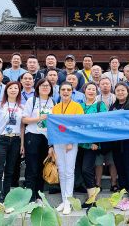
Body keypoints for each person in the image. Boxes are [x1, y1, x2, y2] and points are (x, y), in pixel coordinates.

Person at [0, 81, 23, 204]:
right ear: (6, 90)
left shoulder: (21, 107)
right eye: (10, 88)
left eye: (16, 88)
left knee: (10, 171)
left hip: (15, 140)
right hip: (1, 140)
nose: (13, 90)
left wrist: (22, 143)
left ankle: (6, 197)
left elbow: (22, 127)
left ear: (19, 91)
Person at [52, 82, 84, 215]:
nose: (65, 92)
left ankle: (68, 202)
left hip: (71, 143)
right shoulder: (56, 107)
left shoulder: (77, 107)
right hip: (58, 142)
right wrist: (51, 145)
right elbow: (53, 127)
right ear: (59, 92)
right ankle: (64, 200)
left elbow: (79, 125)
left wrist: (71, 141)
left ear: (72, 92)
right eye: (63, 89)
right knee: (61, 171)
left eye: (68, 90)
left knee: (69, 171)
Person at [22, 79, 56, 202]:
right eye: (42, 85)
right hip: (33, 135)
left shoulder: (53, 102)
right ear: (37, 87)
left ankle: (39, 196)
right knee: (32, 167)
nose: (45, 87)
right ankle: (30, 197)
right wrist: (38, 118)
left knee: (42, 167)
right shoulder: (32, 100)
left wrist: (52, 144)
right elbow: (24, 120)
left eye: (47, 85)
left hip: (47, 138)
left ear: (51, 89)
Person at [110, 82, 129, 211]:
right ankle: (124, 196)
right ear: (115, 93)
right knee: (120, 170)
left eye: (123, 90)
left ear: (127, 91)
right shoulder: (113, 107)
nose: (120, 92)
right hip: (116, 143)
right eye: (118, 91)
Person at [80, 82, 108, 208]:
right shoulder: (79, 105)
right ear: (84, 91)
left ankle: (92, 199)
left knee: (87, 169)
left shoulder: (99, 105)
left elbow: (103, 123)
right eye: (88, 89)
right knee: (80, 170)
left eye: (93, 89)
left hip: (91, 144)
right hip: (77, 143)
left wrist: (96, 141)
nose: (91, 91)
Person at [95, 77, 118, 193]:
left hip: (112, 133)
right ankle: (97, 184)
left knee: (112, 160)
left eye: (107, 84)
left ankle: (114, 183)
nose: (105, 86)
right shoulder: (95, 99)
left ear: (111, 85)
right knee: (98, 160)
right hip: (99, 133)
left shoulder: (115, 97)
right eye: (102, 84)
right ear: (99, 86)